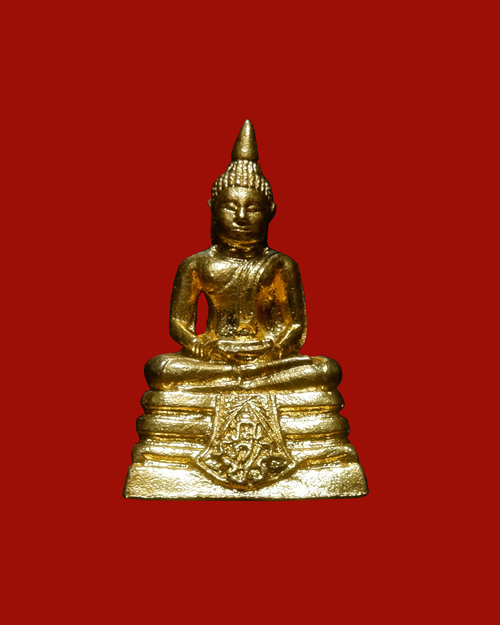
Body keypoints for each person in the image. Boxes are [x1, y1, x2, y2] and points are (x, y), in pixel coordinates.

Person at [145, 120, 340, 393]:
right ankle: (245, 378)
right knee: (161, 368)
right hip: (216, 355)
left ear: (271, 211)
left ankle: (239, 378)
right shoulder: (197, 264)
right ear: (213, 208)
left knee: (326, 370)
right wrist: (201, 346)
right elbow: (179, 324)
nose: (241, 217)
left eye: (253, 208)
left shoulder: (280, 264)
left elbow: (295, 325)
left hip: (265, 356)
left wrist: (273, 349)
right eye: (230, 207)